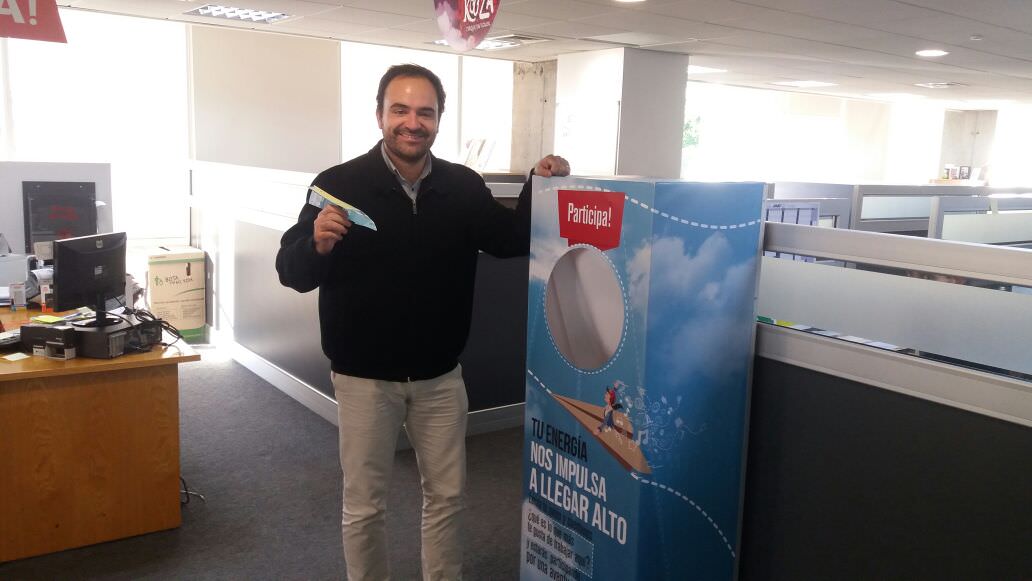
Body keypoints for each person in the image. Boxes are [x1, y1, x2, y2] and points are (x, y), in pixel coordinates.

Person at [275, 63, 570, 581]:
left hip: (440, 377)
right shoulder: (338, 185)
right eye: (400, 110)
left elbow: (509, 239)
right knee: (365, 505)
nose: (413, 123)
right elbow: (291, 272)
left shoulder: (462, 186)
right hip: (364, 379)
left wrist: (537, 183)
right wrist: (315, 244)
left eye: (425, 113)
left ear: (438, 119)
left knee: (447, 497)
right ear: (380, 115)